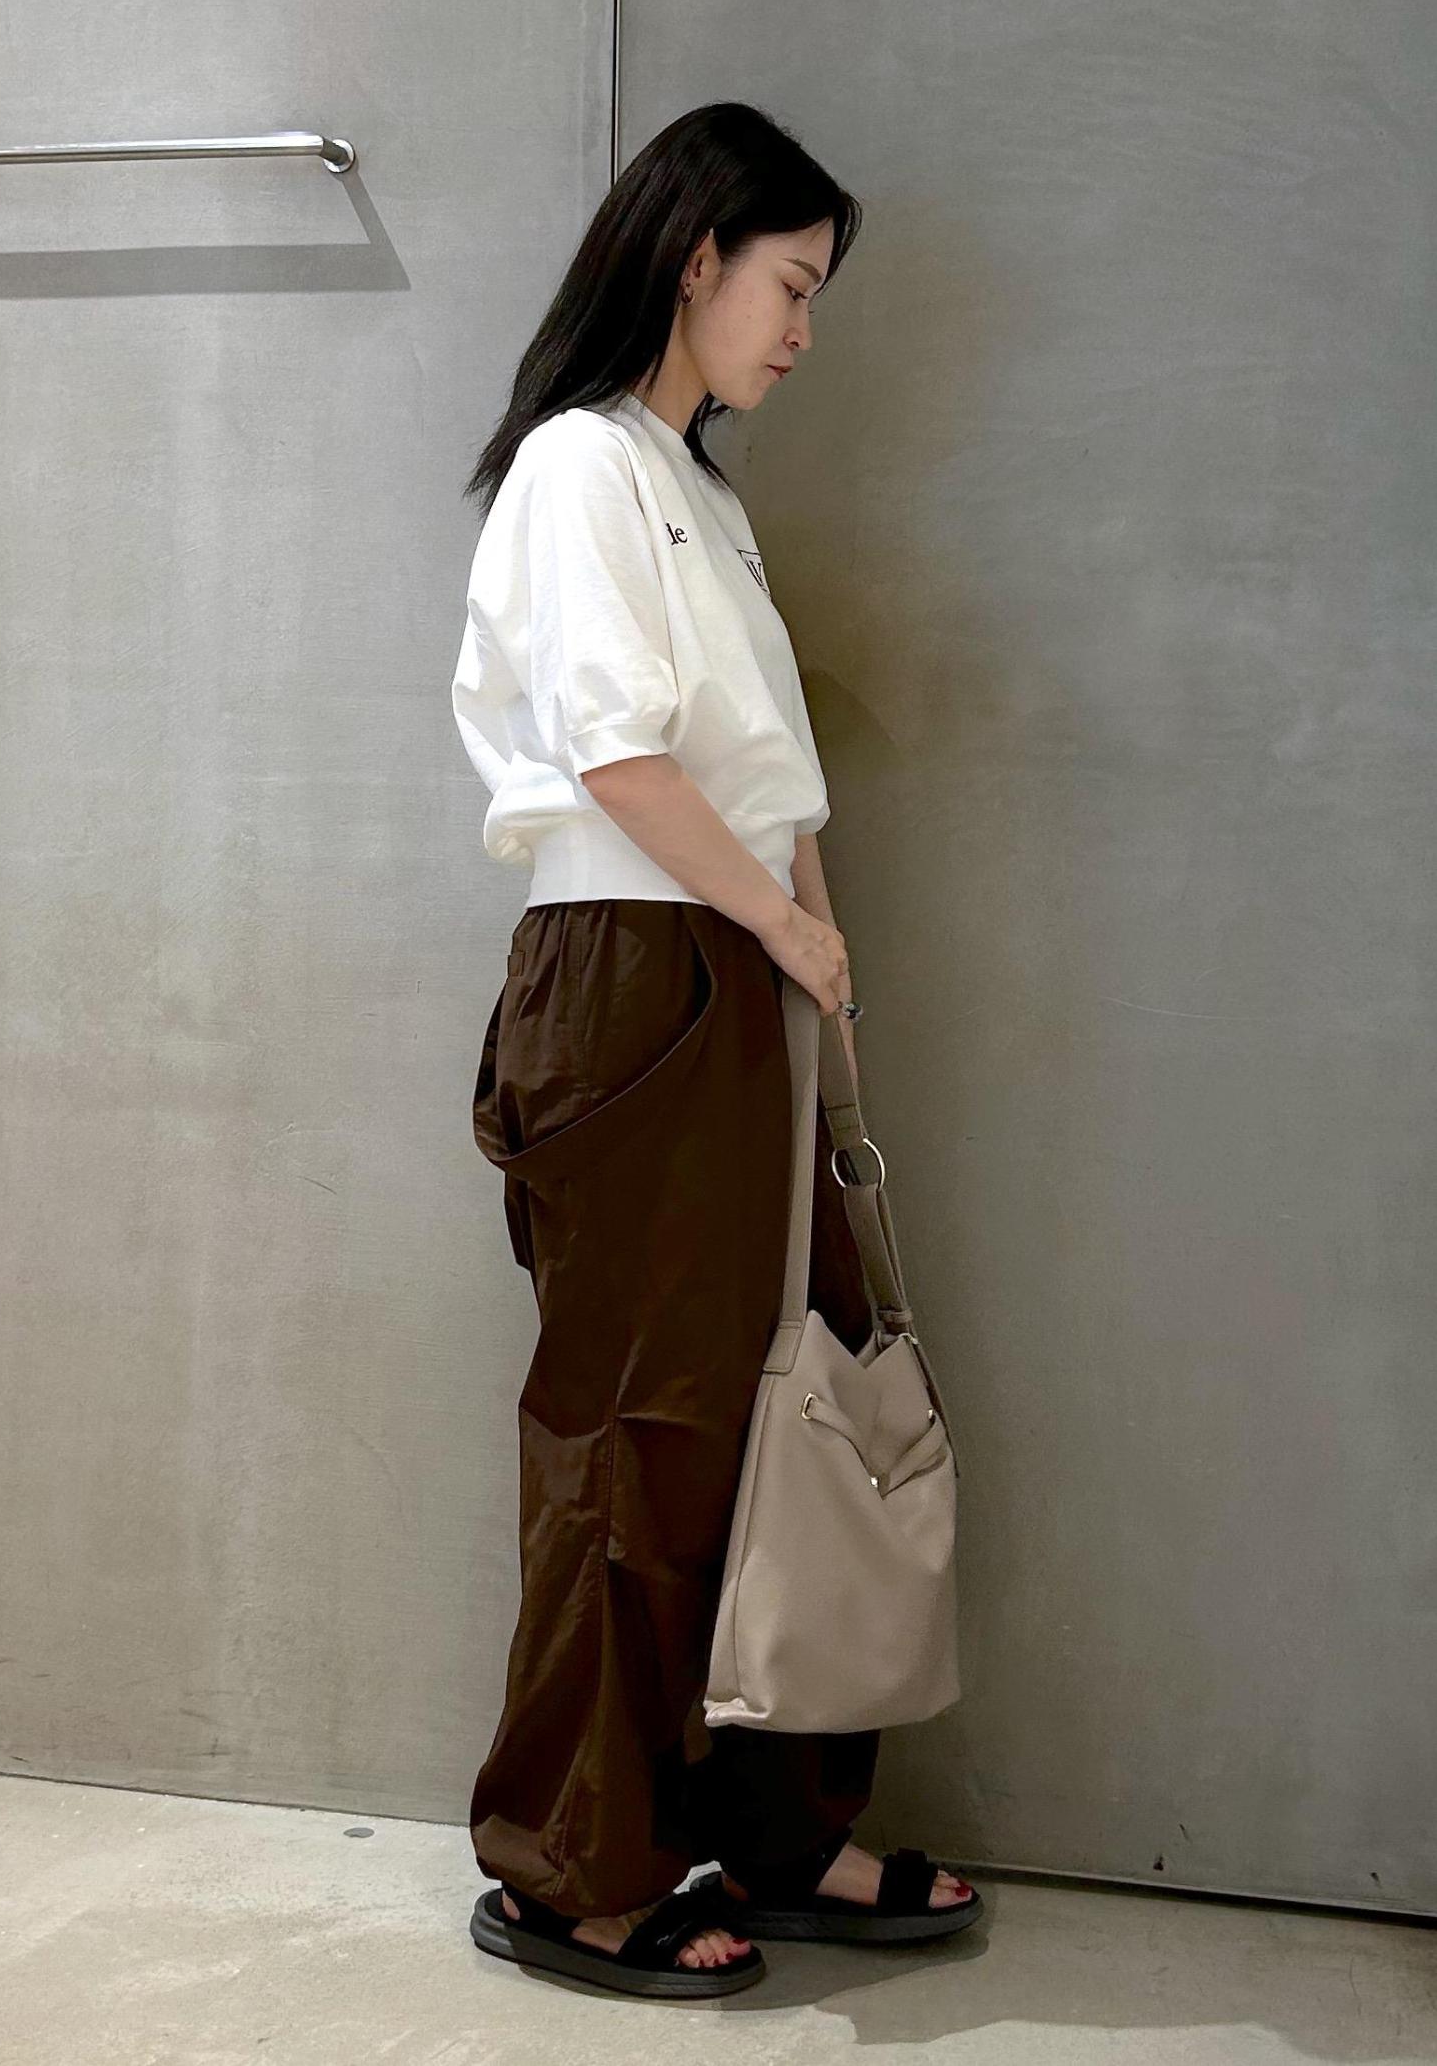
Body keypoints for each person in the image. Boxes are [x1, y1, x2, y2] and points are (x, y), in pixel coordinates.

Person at [452, 101, 979, 2002]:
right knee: (639, 1428)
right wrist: (781, 926)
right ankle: (569, 1867)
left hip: (739, 967)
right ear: (696, 260)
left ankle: (770, 1821)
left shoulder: (702, 495)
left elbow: (765, 775)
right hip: (634, 967)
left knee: (787, 1396)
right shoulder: (577, 468)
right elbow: (617, 757)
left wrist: (809, 942)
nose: (805, 331)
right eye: (792, 285)